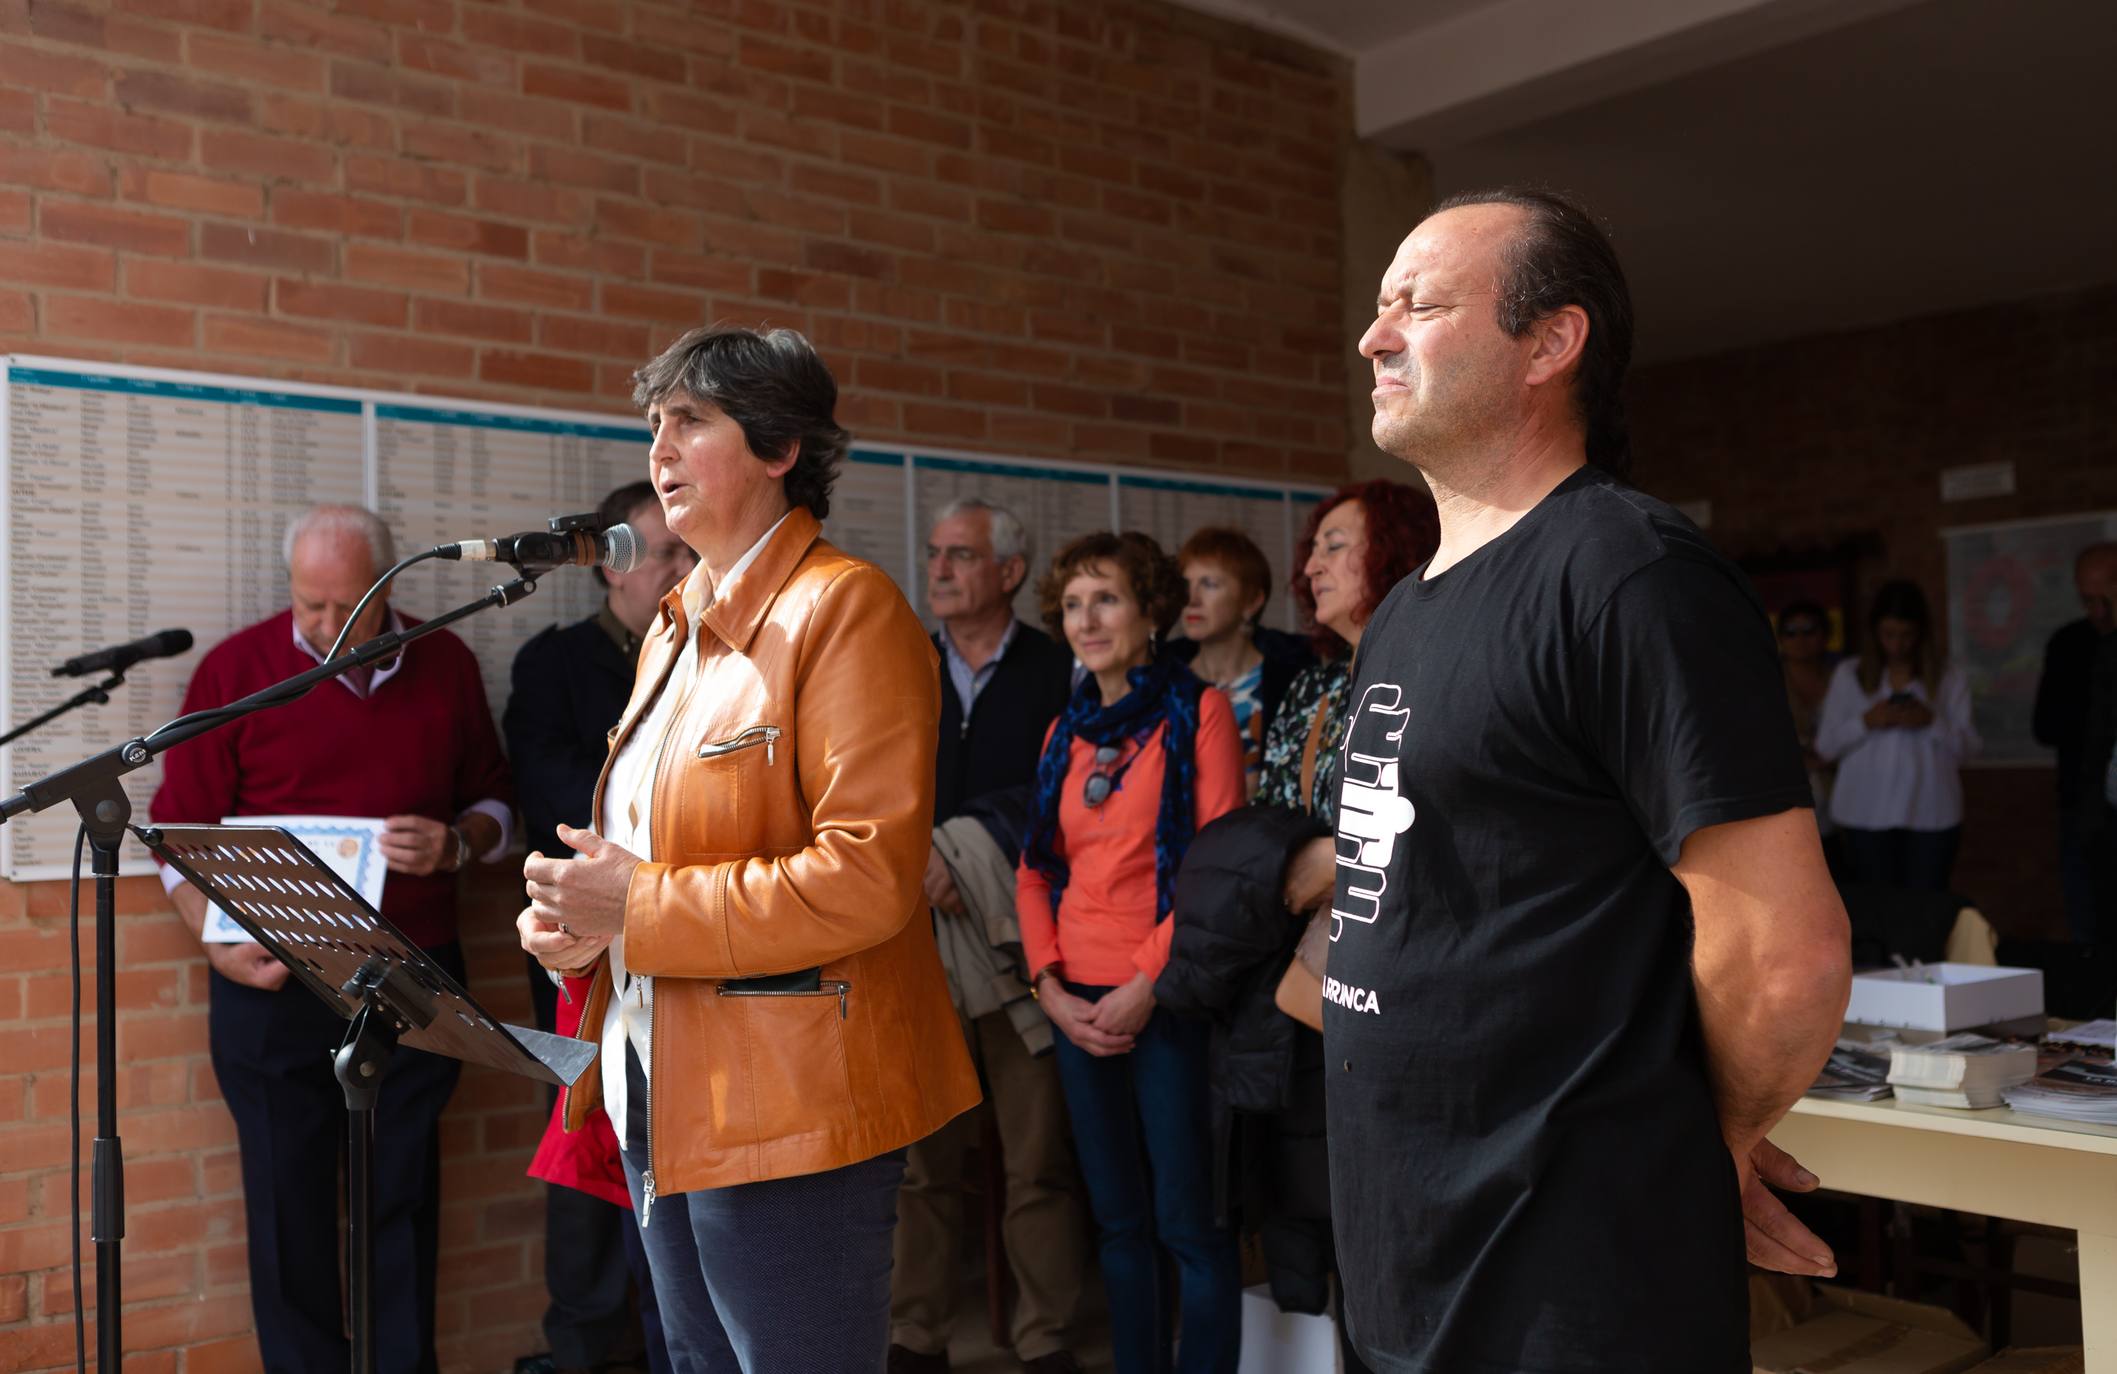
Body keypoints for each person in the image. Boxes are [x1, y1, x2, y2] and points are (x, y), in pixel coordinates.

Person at [1328, 187, 1851, 1374]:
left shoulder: (1628, 573)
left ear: (1549, 342)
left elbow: (1783, 952)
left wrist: (1704, 1137)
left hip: (1568, 1288)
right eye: (1376, 307)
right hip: (1404, 1259)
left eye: (1417, 303)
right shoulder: (1404, 614)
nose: (1374, 335)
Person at [517, 325, 980, 1374]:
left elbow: (865, 880)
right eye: (653, 425)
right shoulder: (669, 631)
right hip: (658, 1090)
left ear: (779, 451)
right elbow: (646, 857)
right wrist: (575, 924)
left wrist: (630, 907)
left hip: (788, 1111)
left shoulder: (844, 608)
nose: (660, 449)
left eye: (692, 422)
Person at [151, 504, 515, 1374]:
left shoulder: (448, 661)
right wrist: (212, 941)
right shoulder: (237, 669)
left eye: (347, 604)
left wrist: (457, 841)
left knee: (402, 1200)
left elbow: (499, 801)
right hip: (273, 983)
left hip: (409, 980)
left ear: (389, 587)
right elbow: (175, 830)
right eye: (309, 605)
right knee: (288, 1210)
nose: (326, 625)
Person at [1015, 531, 1247, 1374]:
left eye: (1106, 598)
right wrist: (1047, 987)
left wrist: (1146, 982)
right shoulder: (1063, 732)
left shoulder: (1199, 711)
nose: (1088, 619)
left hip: (1165, 998)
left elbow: (1213, 871)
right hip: (1076, 1001)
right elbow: (1035, 872)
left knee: (1188, 1223)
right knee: (1116, 1223)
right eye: (1073, 605)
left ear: (1150, 609)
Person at [890, 497, 1088, 1374]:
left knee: (1036, 1160)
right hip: (915, 944)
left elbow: (1072, 799)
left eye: (960, 555)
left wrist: (967, 854)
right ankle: (914, 1336)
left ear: (1008, 573)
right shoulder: (899, 663)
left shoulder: (1060, 669)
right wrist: (916, 862)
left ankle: (1045, 1340)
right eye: (934, 554)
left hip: (1023, 948)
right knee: (923, 1164)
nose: (938, 570)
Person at [506, 479, 694, 1374]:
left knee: (669, 1161)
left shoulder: (705, 655)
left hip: (683, 937)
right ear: (611, 566)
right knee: (587, 1144)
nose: (678, 566)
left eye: (686, 551)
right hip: (581, 947)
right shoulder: (556, 662)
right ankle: (579, 1350)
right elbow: (552, 791)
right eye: (660, 551)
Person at [1257, 481, 1438, 828]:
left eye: (1333, 546)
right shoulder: (1312, 687)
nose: (1311, 567)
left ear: (1395, 551)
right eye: (1313, 550)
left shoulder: (1435, 671)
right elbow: (1268, 812)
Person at [1816, 580, 1980, 892]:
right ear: (1875, 632)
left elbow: (1969, 750)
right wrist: (1867, 721)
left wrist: (1931, 720)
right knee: (1878, 910)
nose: (1898, 645)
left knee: (1926, 909)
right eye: (1889, 635)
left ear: (1921, 634)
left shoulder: (1948, 676)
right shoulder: (1851, 674)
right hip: (1865, 813)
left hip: (1931, 813)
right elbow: (1826, 747)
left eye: (1907, 635)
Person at [1171, 527, 1310, 797]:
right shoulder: (1165, 679)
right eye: (1185, 585)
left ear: (1251, 601)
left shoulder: (1292, 682)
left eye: (1209, 584)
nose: (1191, 599)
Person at [2032, 543, 2117, 941]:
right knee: (2088, 926)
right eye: (2087, 600)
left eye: (2106, 599)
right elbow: (2045, 726)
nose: (2098, 611)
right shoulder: (2070, 643)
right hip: (2081, 808)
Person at [1778, 599, 1841, 852]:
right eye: (1791, 632)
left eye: (1809, 630)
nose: (1800, 639)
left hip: (1842, 788)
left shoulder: (1844, 676)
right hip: (1789, 792)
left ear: (1825, 635)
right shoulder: (1768, 679)